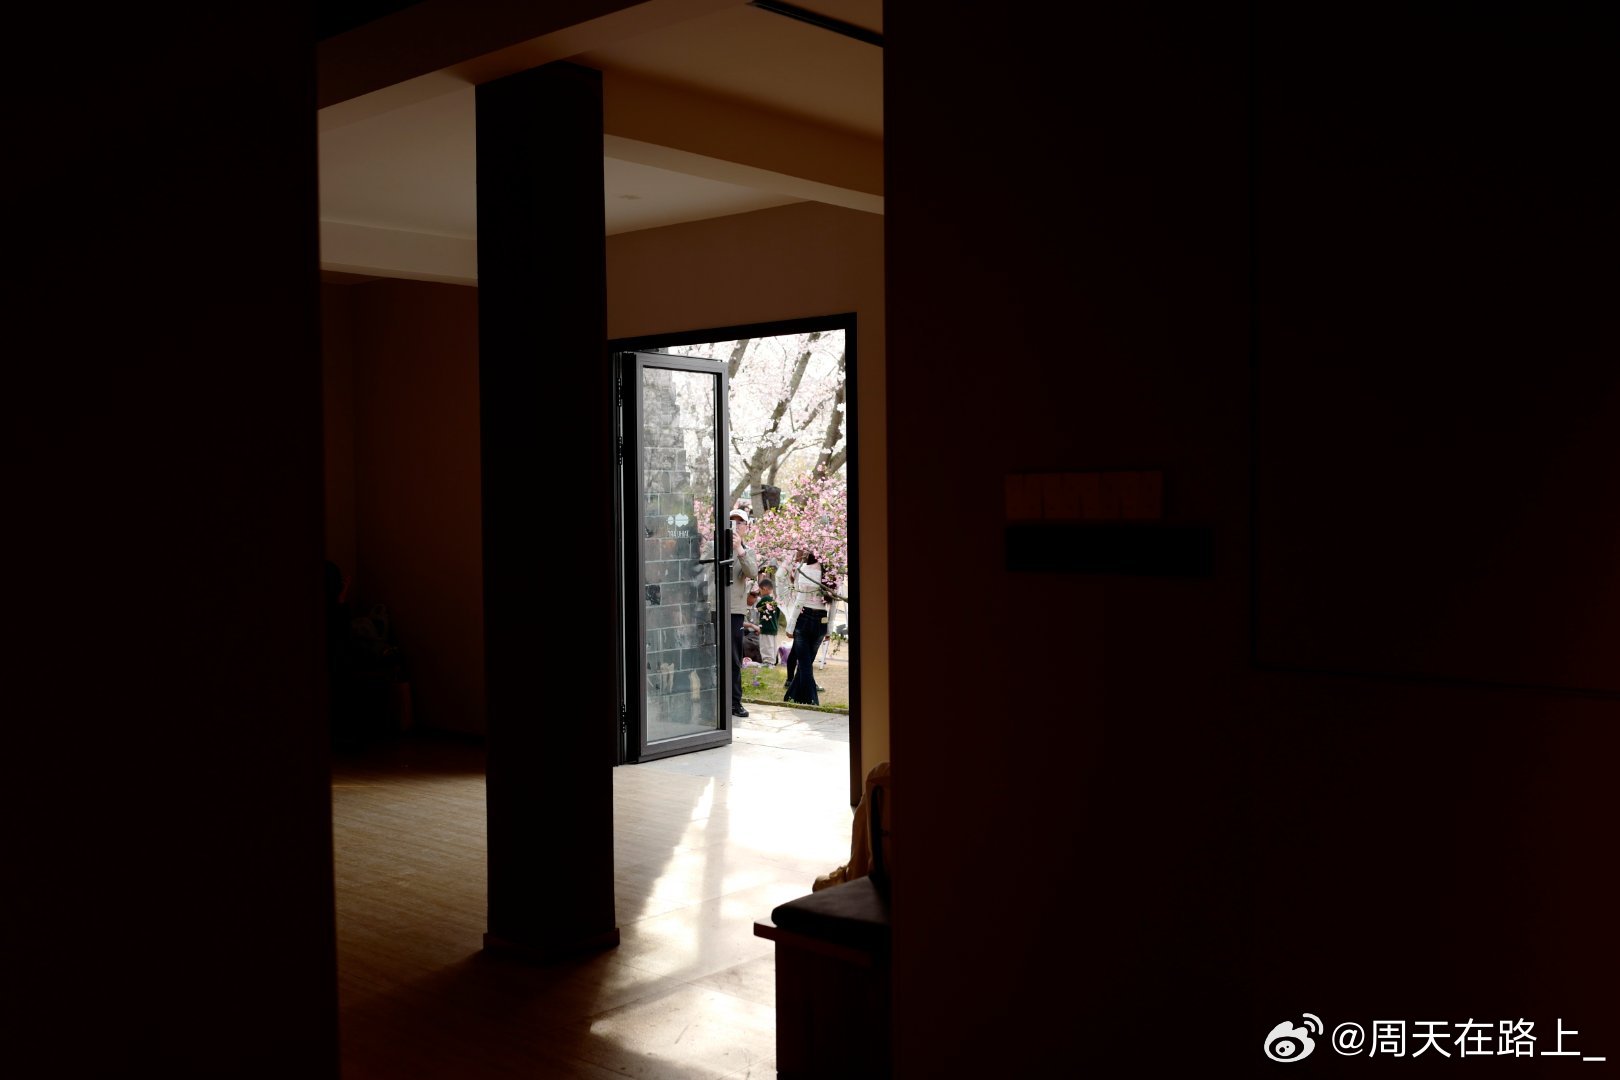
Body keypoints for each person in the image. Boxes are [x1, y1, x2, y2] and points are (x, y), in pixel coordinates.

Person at [783, 548, 834, 705]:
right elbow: (833, 604)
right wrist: (829, 629)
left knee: (804, 663)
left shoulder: (805, 569)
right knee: (806, 662)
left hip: (804, 618)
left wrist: (790, 626)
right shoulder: (831, 573)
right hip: (822, 620)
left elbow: (800, 600)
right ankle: (792, 696)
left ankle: (811, 699)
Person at [725, 500, 759, 718]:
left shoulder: (748, 552)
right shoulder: (714, 547)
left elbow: (753, 573)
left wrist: (739, 549)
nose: (736, 526)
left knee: (734, 658)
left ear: (746, 527)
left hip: (735, 611)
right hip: (713, 609)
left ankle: (734, 703)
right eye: (732, 522)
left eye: (740, 523)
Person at [754, 577, 782, 665]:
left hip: (766, 627)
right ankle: (772, 661)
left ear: (765, 588)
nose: (760, 592)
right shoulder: (775, 601)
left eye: (760, 590)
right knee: (772, 645)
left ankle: (767, 662)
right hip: (774, 626)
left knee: (766, 646)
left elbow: (757, 608)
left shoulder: (765, 599)